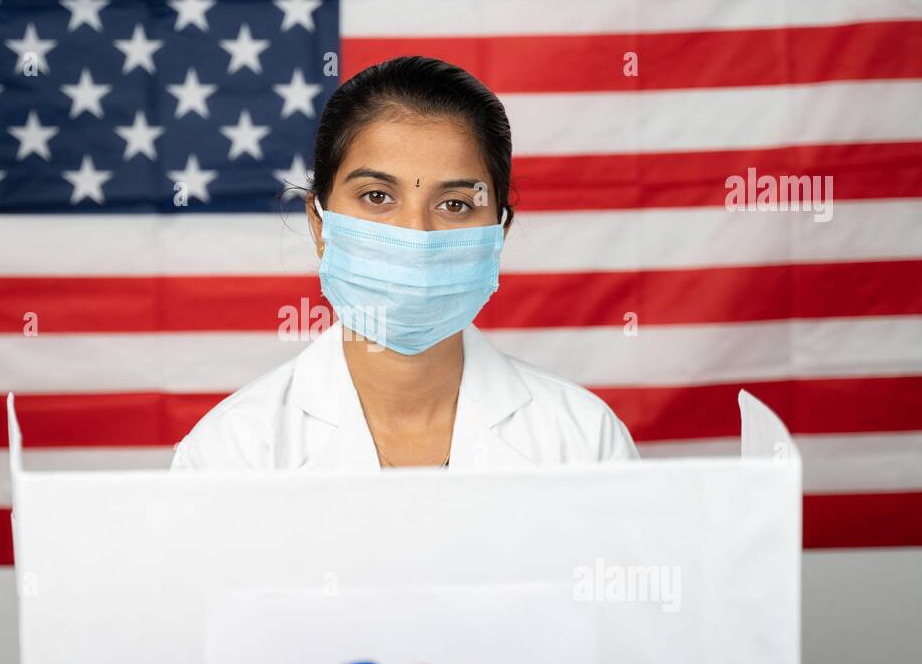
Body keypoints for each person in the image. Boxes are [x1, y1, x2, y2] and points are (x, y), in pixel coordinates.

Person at [171, 56, 637, 471]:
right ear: (320, 224)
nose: (416, 235)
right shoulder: (232, 453)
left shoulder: (584, 443)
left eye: (455, 204)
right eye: (377, 197)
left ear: (498, 233)